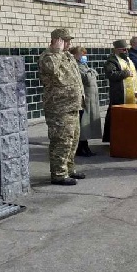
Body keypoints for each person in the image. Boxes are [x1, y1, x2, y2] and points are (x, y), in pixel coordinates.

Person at [37, 28, 85, 186]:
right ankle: (58, 174)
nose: (68, 43)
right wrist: (56, 51)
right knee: (61, 141)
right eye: (65, 40)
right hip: (59, 107)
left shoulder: (67, 56)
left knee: (73, 140)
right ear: (56, 40)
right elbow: (51, 70)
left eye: (69, 40)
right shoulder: (48, 57)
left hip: (73, 105)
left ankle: (69, 170)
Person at [102, 39, 137, 143]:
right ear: (116, 50)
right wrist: (125, 74)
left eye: (125, 49)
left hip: (132, 94)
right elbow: (111, 74)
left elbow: (135, 74)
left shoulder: (128, 59)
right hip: (119, 94)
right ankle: (115, 139)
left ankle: (128, 136)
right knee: (117, 118)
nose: (125, 51)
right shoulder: (112, 60)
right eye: (122, 49)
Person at [70, 46, 102, 157]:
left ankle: (85, 146)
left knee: (87, 124)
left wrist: (91, 72)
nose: (84, 57)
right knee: (82, 124)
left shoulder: (84, 65)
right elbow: (88, 78)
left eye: (85, 54)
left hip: (91, 99)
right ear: (75, 55)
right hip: (83, 100)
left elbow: (92, 75)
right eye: (82, 54)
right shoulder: (75, 66)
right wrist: (91, 73)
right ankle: (80, 148)